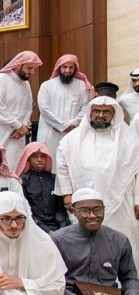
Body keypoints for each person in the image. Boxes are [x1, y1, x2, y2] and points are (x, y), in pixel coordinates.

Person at [51, 188, 139, 295]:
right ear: (74, 211)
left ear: (103, 210)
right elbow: (49, 281)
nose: (92, 216)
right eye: (85, 211)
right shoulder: (58, 240)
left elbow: (129, 277)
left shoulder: (119, 240)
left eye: (97, 210)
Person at [55, 96, 139, 264]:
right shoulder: (72, 139)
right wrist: (66, 194)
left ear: (114, 114)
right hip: (84, 200)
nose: (101, 115)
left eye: (106, 112)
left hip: (122, 202)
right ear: (90, 113)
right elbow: (62, 165)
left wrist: (138, 199)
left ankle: (124, 277)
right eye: (97, 111)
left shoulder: (129, 139)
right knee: (85, 239)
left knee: (123, 237)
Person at [36, 54, 93, 172]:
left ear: (75, 68)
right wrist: (62, 125)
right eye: (64, 67)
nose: (67, 70)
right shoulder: (47, 86)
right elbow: (44, 109)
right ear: (59, 68)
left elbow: (86, 107)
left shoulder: (81, 85)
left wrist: (73, 123)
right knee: (51, 166)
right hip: (51, 133)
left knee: (71, 165)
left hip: (73, 131)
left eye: (71, 67)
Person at [0, 50, 43, 166]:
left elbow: (28, 107)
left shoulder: (25, 83)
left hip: (19, 135)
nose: (32, 72)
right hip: (1, 132)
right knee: (0, 164)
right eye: (29, 68)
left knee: (17, 166)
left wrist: (24, 126)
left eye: (33, 69)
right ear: (18, 65)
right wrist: (18, 125)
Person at [15, 142, 68, 233]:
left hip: (56, 226)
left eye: (42, 156)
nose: (39, 159)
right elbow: (25, 210)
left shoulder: (53, 179)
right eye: (34, 156)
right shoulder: (22, 180)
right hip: (32, 226)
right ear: (28, 159)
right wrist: (47, 231)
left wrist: (62, 229)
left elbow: (60, 209)